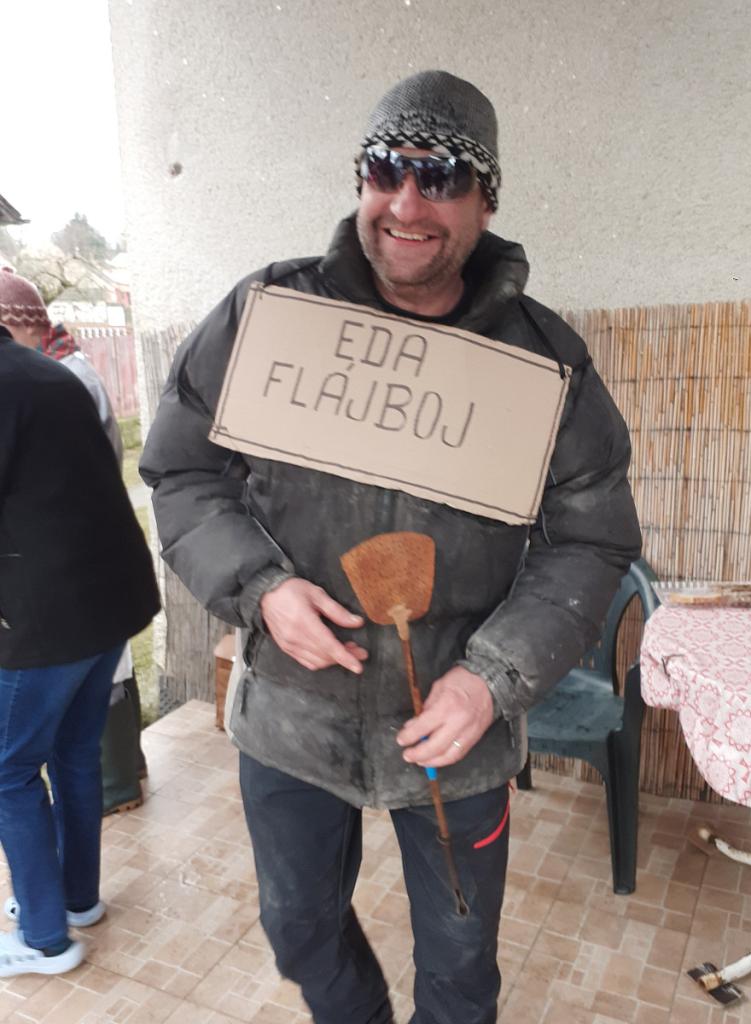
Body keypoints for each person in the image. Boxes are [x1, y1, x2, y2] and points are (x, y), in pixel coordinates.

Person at [141, 70, 642, 1024]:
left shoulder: (544, 364)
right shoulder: (269, 316)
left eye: (442, 176)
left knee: (460, 965)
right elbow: (183, 473)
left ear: (486, 199)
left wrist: (494, 678)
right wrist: (260, 588)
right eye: (386, 169)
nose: (408, 203)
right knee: (299, 930)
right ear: (361, 181)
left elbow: (589, 541)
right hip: (291, 715)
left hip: (456, 731)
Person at [0, 322, 160, 976]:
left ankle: (44, 939)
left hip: (45, 617)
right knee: (73, 751)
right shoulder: (46, 372)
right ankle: (76, 899)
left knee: (7, 772)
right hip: (106, 602)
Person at [0, 268, 147, 816]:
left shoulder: (53, 376)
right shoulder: (60, 372)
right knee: (77, 749)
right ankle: (121, 783)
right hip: (101, 587)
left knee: (13, 770)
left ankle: (123, 780)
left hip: (61, 595)